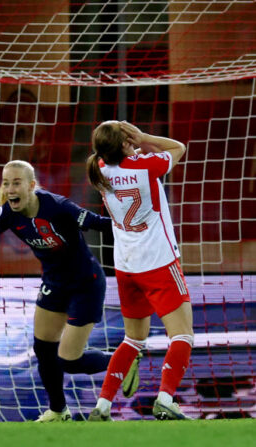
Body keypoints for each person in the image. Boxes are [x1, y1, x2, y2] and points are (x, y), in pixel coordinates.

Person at [0, 160, 140, 422]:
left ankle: (123, 360)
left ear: (31, 186)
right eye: (5, 182)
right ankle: (58, 411)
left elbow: (97, 222)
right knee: (43, 349)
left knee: (69, 360)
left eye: (16, 183)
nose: (10, 188)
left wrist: (138, 227)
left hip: (86, 284)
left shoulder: (57, 206)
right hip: (54, 284)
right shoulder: (7, 214)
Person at [86, 121, 192, 421]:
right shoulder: (145, 167)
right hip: (158, 262)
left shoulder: (98, 169)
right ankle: (166, 398)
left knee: (133, 339)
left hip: (125, 266)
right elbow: (178, 148)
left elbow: (107, 157)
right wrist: (144, 137)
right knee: (183, 335)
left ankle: (103, 406)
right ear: (124, 144)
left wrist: (127, 142)